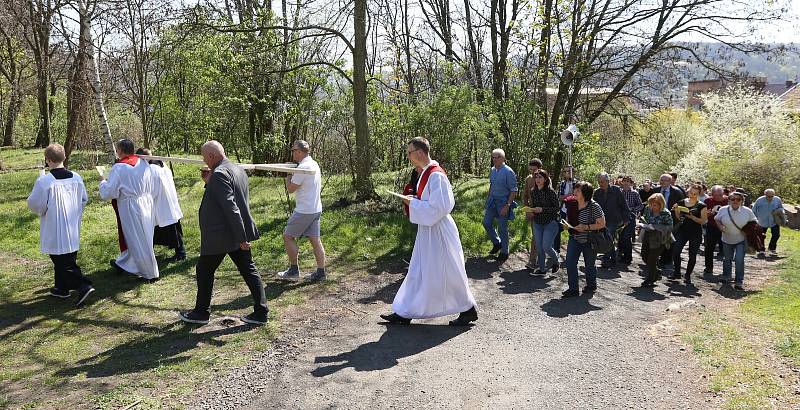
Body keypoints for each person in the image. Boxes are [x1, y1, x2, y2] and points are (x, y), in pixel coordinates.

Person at [380, 137, 478, 326]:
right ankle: (404, 312)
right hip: (429, 230)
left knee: (448, 271)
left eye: (409, 152)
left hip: (439, 231)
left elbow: (440, 207)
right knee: (419, 270)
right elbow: (429, 202)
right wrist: (413, 199)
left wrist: (413, 203)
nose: (408, 156)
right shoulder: (427, 173)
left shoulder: (436, 175)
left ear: (419, 152)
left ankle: (468, 309)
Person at [179, 140, 269, 325]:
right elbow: (224, 196)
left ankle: (201, 313)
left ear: (212, 156)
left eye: (205, 158)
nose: (205, 162)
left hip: (223, 234)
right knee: (248, 270)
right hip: (233, 232)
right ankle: (261, 312)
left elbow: (231, 207)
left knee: (204, 269)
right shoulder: (236, 169)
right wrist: (208, 182)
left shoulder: (220, 173)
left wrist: (241, 238)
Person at [27, 144, 94, 305]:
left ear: (48, 160)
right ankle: (61, 288)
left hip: (55, 226)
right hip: (71, 224)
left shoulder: (45, 181)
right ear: (64, 157)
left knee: (61, 260)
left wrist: (43, 210)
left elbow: (36, 204)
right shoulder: (76, 177)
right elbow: (84, 199)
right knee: (68, 256)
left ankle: (82, 285)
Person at [99, 139, 161, 282]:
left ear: (120, 150)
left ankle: (149, 273)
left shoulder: (119, 168)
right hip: (146, 202)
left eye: (117, 149)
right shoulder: (143, 162)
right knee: (145, 237)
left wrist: (102, 181)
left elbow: (110, 192)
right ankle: (128, 263)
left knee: (137, 239)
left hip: (130, 206)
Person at [277, 140, 327, 281]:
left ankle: (293, 271)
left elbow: (291, 189)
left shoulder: (303, 167)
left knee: (288, 236)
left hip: (305, 210)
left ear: (299, 152)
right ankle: (321, 272)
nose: (292, 152)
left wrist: (288, 174)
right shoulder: (313, 163)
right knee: (315, 240)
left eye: (293, 150)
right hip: (315, 208)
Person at [136, 148, 186, 263]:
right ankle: (150, 254)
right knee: (166, 229)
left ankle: (181, 253)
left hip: (160, 204)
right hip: (168, 203)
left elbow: (150, 188)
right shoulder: (162, 164)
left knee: (169, 230)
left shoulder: (152, 169)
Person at [563, 181, 606, 297]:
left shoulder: (594, 206)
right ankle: (573, 289)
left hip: (589, 240)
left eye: (578, 190)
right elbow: (568, 218)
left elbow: (601, 224)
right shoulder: (572, 203)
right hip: (574, 238)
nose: (575, 192)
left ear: (585, 193)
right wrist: (567, 225)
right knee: (570, 263)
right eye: (575, 189)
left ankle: (591, 286)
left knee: (589, 265)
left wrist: (586, 227)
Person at [714, 191, 757, 290]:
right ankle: (726, 276)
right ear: (728, 200)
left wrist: (749, 230)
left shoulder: (747, 211)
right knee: (727, 259)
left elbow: (754, 222)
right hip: (726, 239)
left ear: (742, 201)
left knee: (739, 260)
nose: (735, 201)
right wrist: (720, 227)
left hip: (741, 239)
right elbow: (717, 219)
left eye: (738, 199)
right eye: (732, 199)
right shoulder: (723, 210)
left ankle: (738, 281)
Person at [482, 148, 518, 261]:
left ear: (502, 158)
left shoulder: (508, 171)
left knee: (502, 228)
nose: (494, 159)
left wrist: (507, 205)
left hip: (503, 203)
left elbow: (514, 190)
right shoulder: (493, 170)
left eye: (496, 157)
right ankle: (497, 243)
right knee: (486, 222)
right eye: (492, 157)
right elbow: (492, 186)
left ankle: (504, 252)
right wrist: (488, 198)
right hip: (492, 202)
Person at [671, 184, 708, 284]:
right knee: (676, 251)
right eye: (691, 193)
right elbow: (679, 218)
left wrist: (693, 218)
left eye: (695, 194)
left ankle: (687, 275)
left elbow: (704, 221)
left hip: (695, 232)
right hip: (682, 230)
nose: (692, 195)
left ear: (699, 194)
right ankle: (677, 272)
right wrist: (677, 211)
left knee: (692, 255)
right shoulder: (682, 202)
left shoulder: (701, 205)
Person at [527, 170, 561, 275]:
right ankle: (542, 269)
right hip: (537, 222)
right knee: (539, 247)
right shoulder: (533, 191)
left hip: (550, 222)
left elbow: (556, 208)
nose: (537, 180)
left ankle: (556, 260)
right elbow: (534, 206)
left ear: (545, 179)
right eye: (536, 178)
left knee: (546, 246)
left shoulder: (551, 192)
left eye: (540, 177)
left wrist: (542, 209)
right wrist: (530, 210)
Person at [593, 172, 629, 268]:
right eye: (599, 182)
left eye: (602, 182)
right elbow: (594, 207)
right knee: (609, 239)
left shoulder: (616, 190)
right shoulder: (597, 192)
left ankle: (606, 260)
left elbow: (623, 204)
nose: (600, 184)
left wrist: (626, 218)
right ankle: (613, 259)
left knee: (607, 237)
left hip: (614, 219)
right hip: (602, 220)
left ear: (608, 181)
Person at [638, 194, 674, 287]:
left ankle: (650, 278)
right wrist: (642, 224)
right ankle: (656, 271)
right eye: (650, 205)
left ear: (660, 204)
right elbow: (644, 219)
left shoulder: (666, 213)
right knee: (644, 255)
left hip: (660, 238)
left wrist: (656, 227)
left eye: (654, 205)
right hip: (648, 235)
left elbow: (670, 227)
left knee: (652, 259)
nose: (652, 207)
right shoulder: (647, 209)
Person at [522, 159, 543, 270]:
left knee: (541, 237)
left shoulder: (545, 179)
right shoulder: (529, 179)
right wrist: (528, 210)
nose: (532, 172)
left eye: (534, 170)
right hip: (532, 212)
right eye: (530, 170)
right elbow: (525, 196)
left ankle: (542, 259)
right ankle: (532, 260)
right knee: (535, 236)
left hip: (543, 213)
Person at [752, 189, 784, 257]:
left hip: (774, 221)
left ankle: (772, 248)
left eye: (772, 196)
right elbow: (754, 210)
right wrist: (753, 220)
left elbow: (781, 208)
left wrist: (779, 211)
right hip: (762, 221)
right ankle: (761, 250)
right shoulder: (759, 200)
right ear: (765, 195)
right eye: (768, 196)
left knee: (776, 235)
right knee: (761, 236)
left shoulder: (777, 199)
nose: (770, 198)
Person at [619, 176, 643, 265]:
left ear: (631, 183)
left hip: (630, 218)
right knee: (620, 237)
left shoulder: (634, 193)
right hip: (620, 218)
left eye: (628, 181)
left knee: (626, 237)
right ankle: (620, 255)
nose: (625, 183)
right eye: (624, 181)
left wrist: (631, 209)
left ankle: (628, 257)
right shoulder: (619, 192)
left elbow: (641, 205)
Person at [703, 185, 727, 274]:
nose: (718, 197)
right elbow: (704, 216)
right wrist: (711, 212)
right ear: (712, 194)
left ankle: (726, 270)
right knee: (709, 248)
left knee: (725, 249)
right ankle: (709, 267)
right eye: (715, 195)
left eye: (720, 195)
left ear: (723, 193)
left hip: (725, 227)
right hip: (711, 226)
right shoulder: (708, 201)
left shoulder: (728, 201)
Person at [556, 166, 576, 257]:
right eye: (565, 171)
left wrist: (571, 196)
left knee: (573, 232)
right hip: (563, 210)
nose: (566, 173)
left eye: (568, 171)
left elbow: (578, 197)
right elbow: (559, 197)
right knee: (557, 229)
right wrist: (568, 196)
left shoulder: (577, 183)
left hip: (574, 212)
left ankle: (572, 252)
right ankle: (556, 251)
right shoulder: (562, 183)